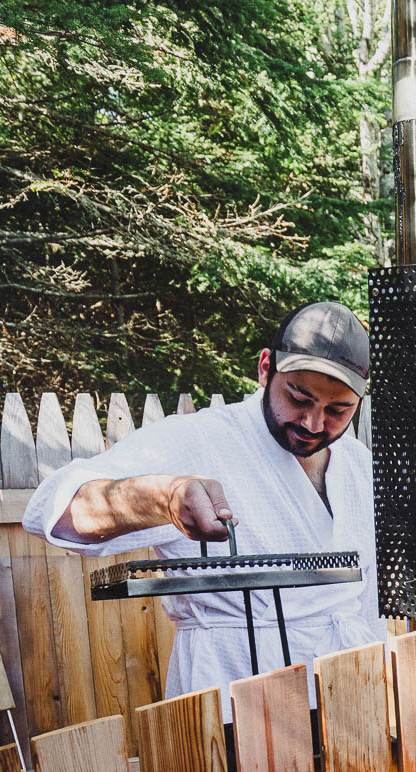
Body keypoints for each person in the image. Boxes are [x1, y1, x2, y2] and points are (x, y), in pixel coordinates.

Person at [21, 301, 381, 718]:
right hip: (234, 692)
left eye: (338, 411)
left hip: (350, 695)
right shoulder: (199, 440)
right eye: (299, 398)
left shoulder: (357, 465)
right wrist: (164, 498)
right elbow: (53, 508)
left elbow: (366, 601)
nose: (314, 424)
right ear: (266, 368)